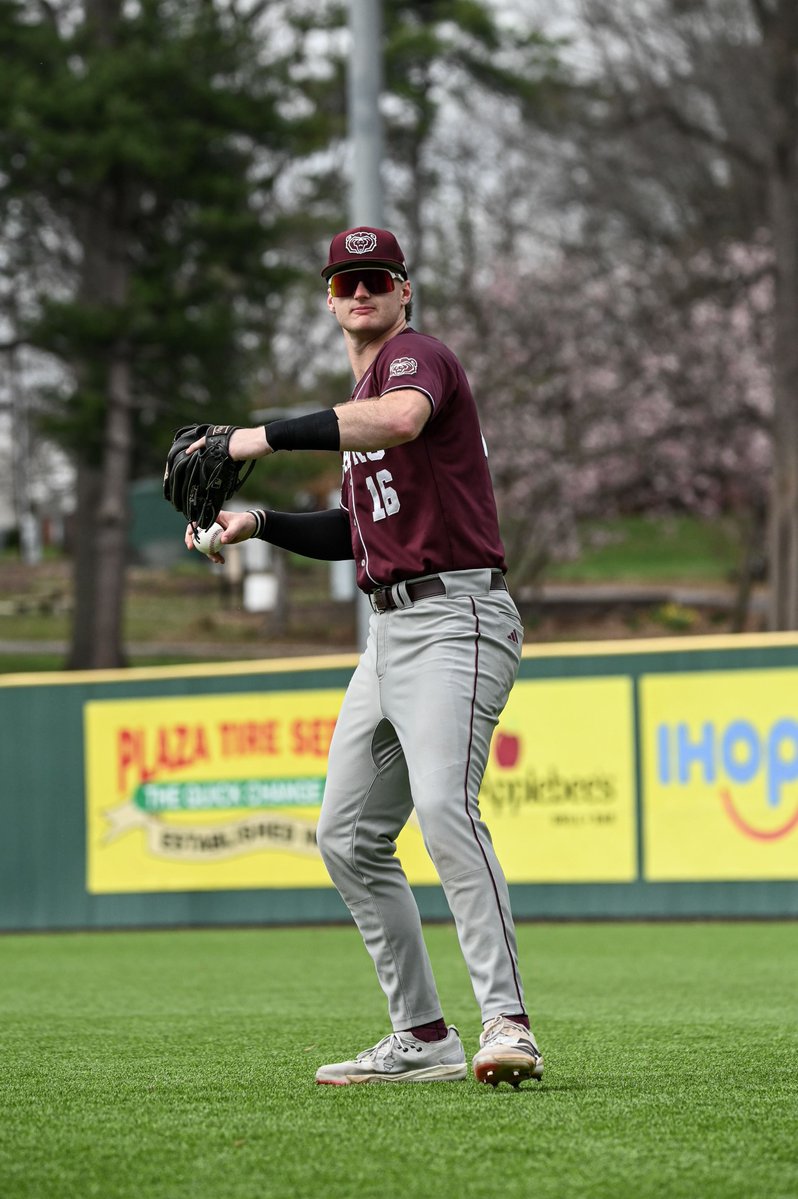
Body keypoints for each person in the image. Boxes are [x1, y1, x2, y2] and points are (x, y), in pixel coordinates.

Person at [183, 227, 544, 1089]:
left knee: (443, 810)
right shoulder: (357, 399)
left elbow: (401, 419)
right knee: (346, 836)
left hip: (457, 615)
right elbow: (359, 527)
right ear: (330, 295)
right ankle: (422, 1034)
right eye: (345, 281)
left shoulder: (420, 361)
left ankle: (510, 1023)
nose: (360, 293)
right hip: (391, 632)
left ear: (405, 290)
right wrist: (258, 521)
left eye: (375, 278)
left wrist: (247, 440)